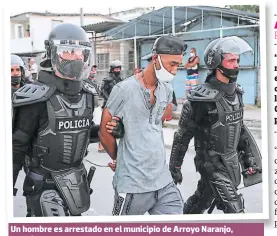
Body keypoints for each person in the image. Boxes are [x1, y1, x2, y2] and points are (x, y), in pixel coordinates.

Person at [12, 23, 122, 217]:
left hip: (76, 181)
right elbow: (17, 148)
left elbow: (84, 131)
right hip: (43, 181)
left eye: (81, 52)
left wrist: (109, 129)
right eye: (70, 51)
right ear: (53, 53)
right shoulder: (35, 97)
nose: (77, 57)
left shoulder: (87, 93)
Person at [169, 36, 262, 214]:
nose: (237, 65)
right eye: (231, 60)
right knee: (236, 211)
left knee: (200, 203)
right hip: (211, 166)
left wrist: (248, 159)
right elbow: (182, 136)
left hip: (231, 163)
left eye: (238, 60)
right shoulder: (200, 99)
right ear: (218, 63)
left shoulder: (237, 93)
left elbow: (239, 129)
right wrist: (175, 168)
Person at [99, 35, 187, 215]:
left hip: (163, 181)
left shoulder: (166, 88)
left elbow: (164, 114)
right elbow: (104, 131)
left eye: (178, 65)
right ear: (155, 59)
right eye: (172, 64)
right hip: (133, 184)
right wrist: (119, 159)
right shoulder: (124, 89)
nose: (175, 70)